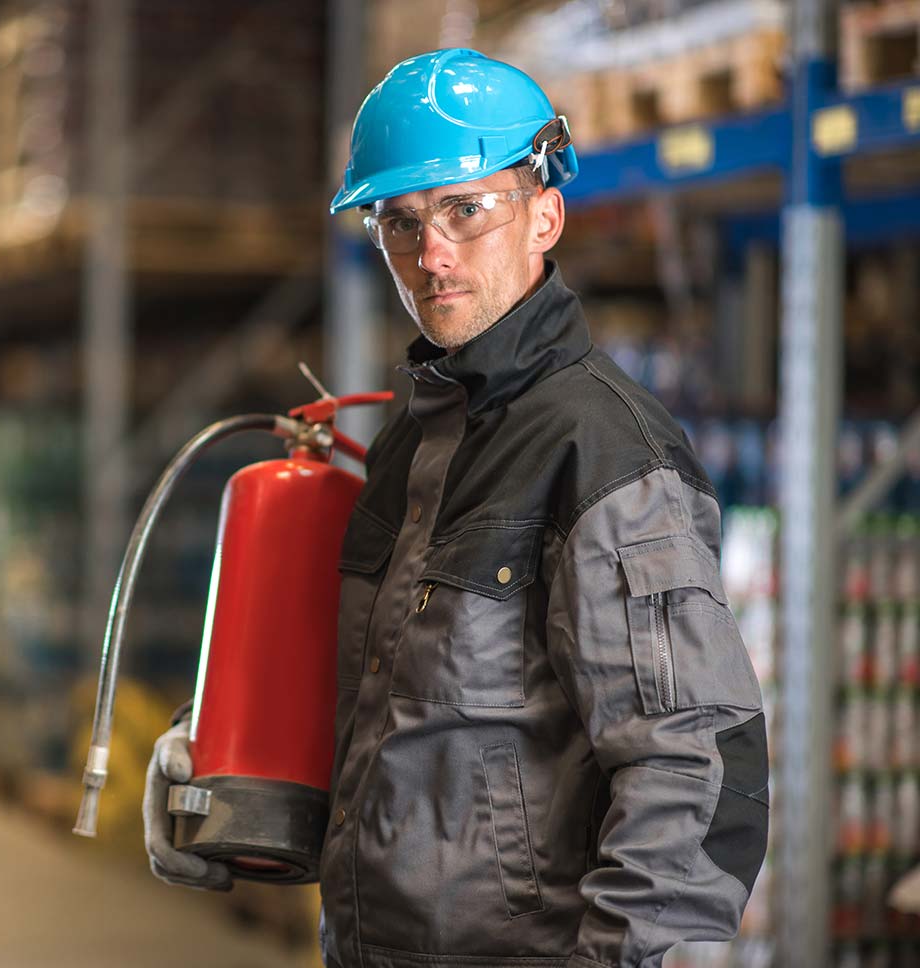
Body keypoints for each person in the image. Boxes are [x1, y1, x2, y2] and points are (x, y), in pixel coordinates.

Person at [144, 48, 769, 968]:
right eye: (400, 222)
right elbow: (392, 703)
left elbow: (694, 767)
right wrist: (220, 760)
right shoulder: (415, 439)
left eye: (465, 211)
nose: (431, 255)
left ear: (544, 215)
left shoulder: (604, 455)